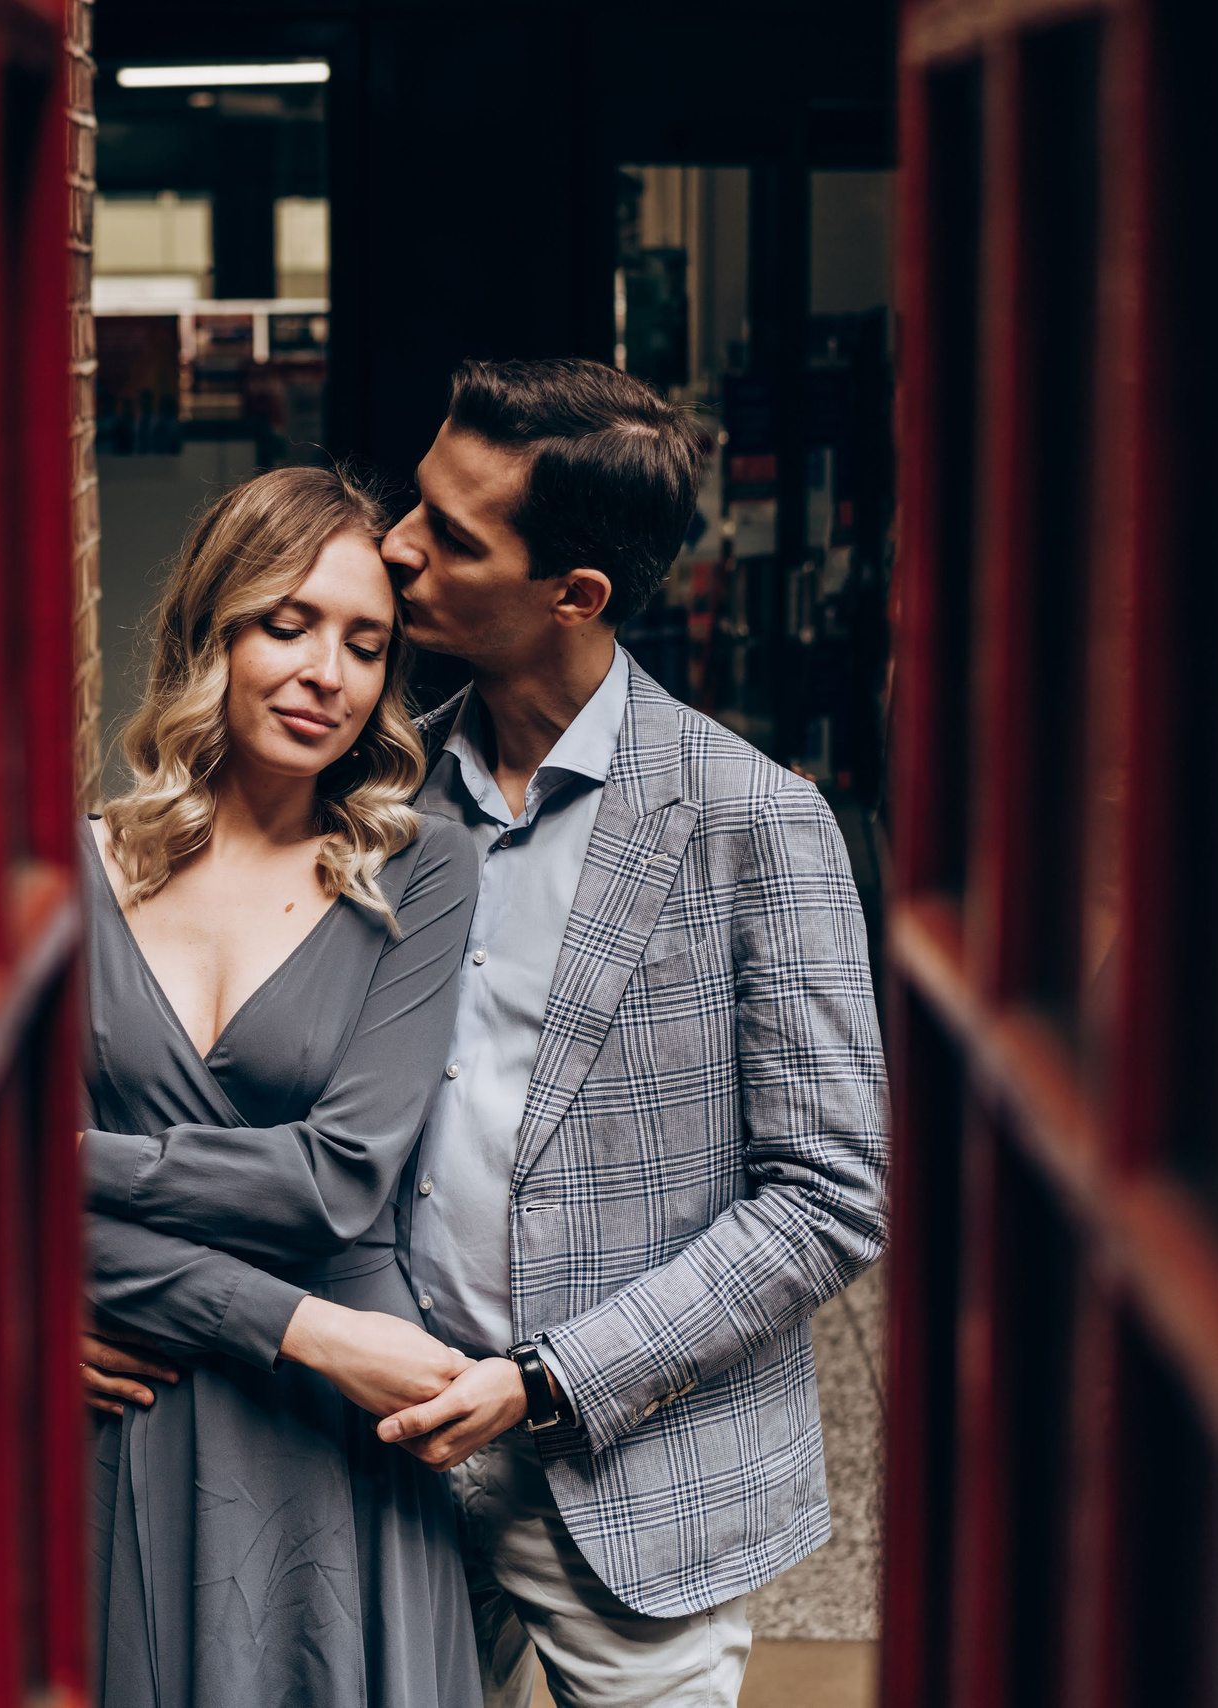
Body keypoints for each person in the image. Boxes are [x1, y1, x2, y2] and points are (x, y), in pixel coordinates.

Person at [88, 358, 889, 1707]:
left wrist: (550, 1381)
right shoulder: (377, 801)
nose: (398, 546)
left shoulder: (756, 822)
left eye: (452, 535)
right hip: (369, 1441)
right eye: (418, 504)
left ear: (573, 596)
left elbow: (830, 1198)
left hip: (625, 1475)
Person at [78, 464, 486, 1708]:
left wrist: (62, 1179)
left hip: (334, 1440)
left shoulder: (415, 870)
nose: (327, 673)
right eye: (286, 623)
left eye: (366, 645)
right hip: (148, 1400)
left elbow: (334, 1180)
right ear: (212, 629)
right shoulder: (68, 865)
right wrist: (303, 1328)